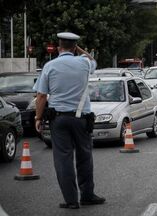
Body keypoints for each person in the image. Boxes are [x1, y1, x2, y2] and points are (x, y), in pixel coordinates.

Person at [33, 32, 105, 209]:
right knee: (85, 157)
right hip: (82, 119)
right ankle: (87, 195)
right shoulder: (84, 63)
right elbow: (92, 60)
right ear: (74, 48)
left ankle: (71, 200)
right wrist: (78, 48)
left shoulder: (50, 66)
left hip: (59, 119)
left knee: (63, 159)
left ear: (58, 48)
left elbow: (41, 95)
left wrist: (38, 117)